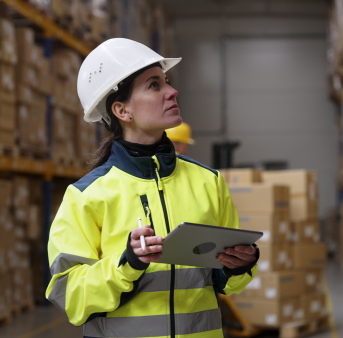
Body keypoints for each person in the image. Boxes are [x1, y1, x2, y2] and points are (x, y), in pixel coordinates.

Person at [46, 38, 259, 338]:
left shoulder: (208, 182)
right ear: (122, 110)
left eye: (166, 81)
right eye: (154, 85)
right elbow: (70, 296)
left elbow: (223, 281)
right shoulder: (86, 196)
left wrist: (239, 266)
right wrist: (127, 265)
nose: (173, 92)